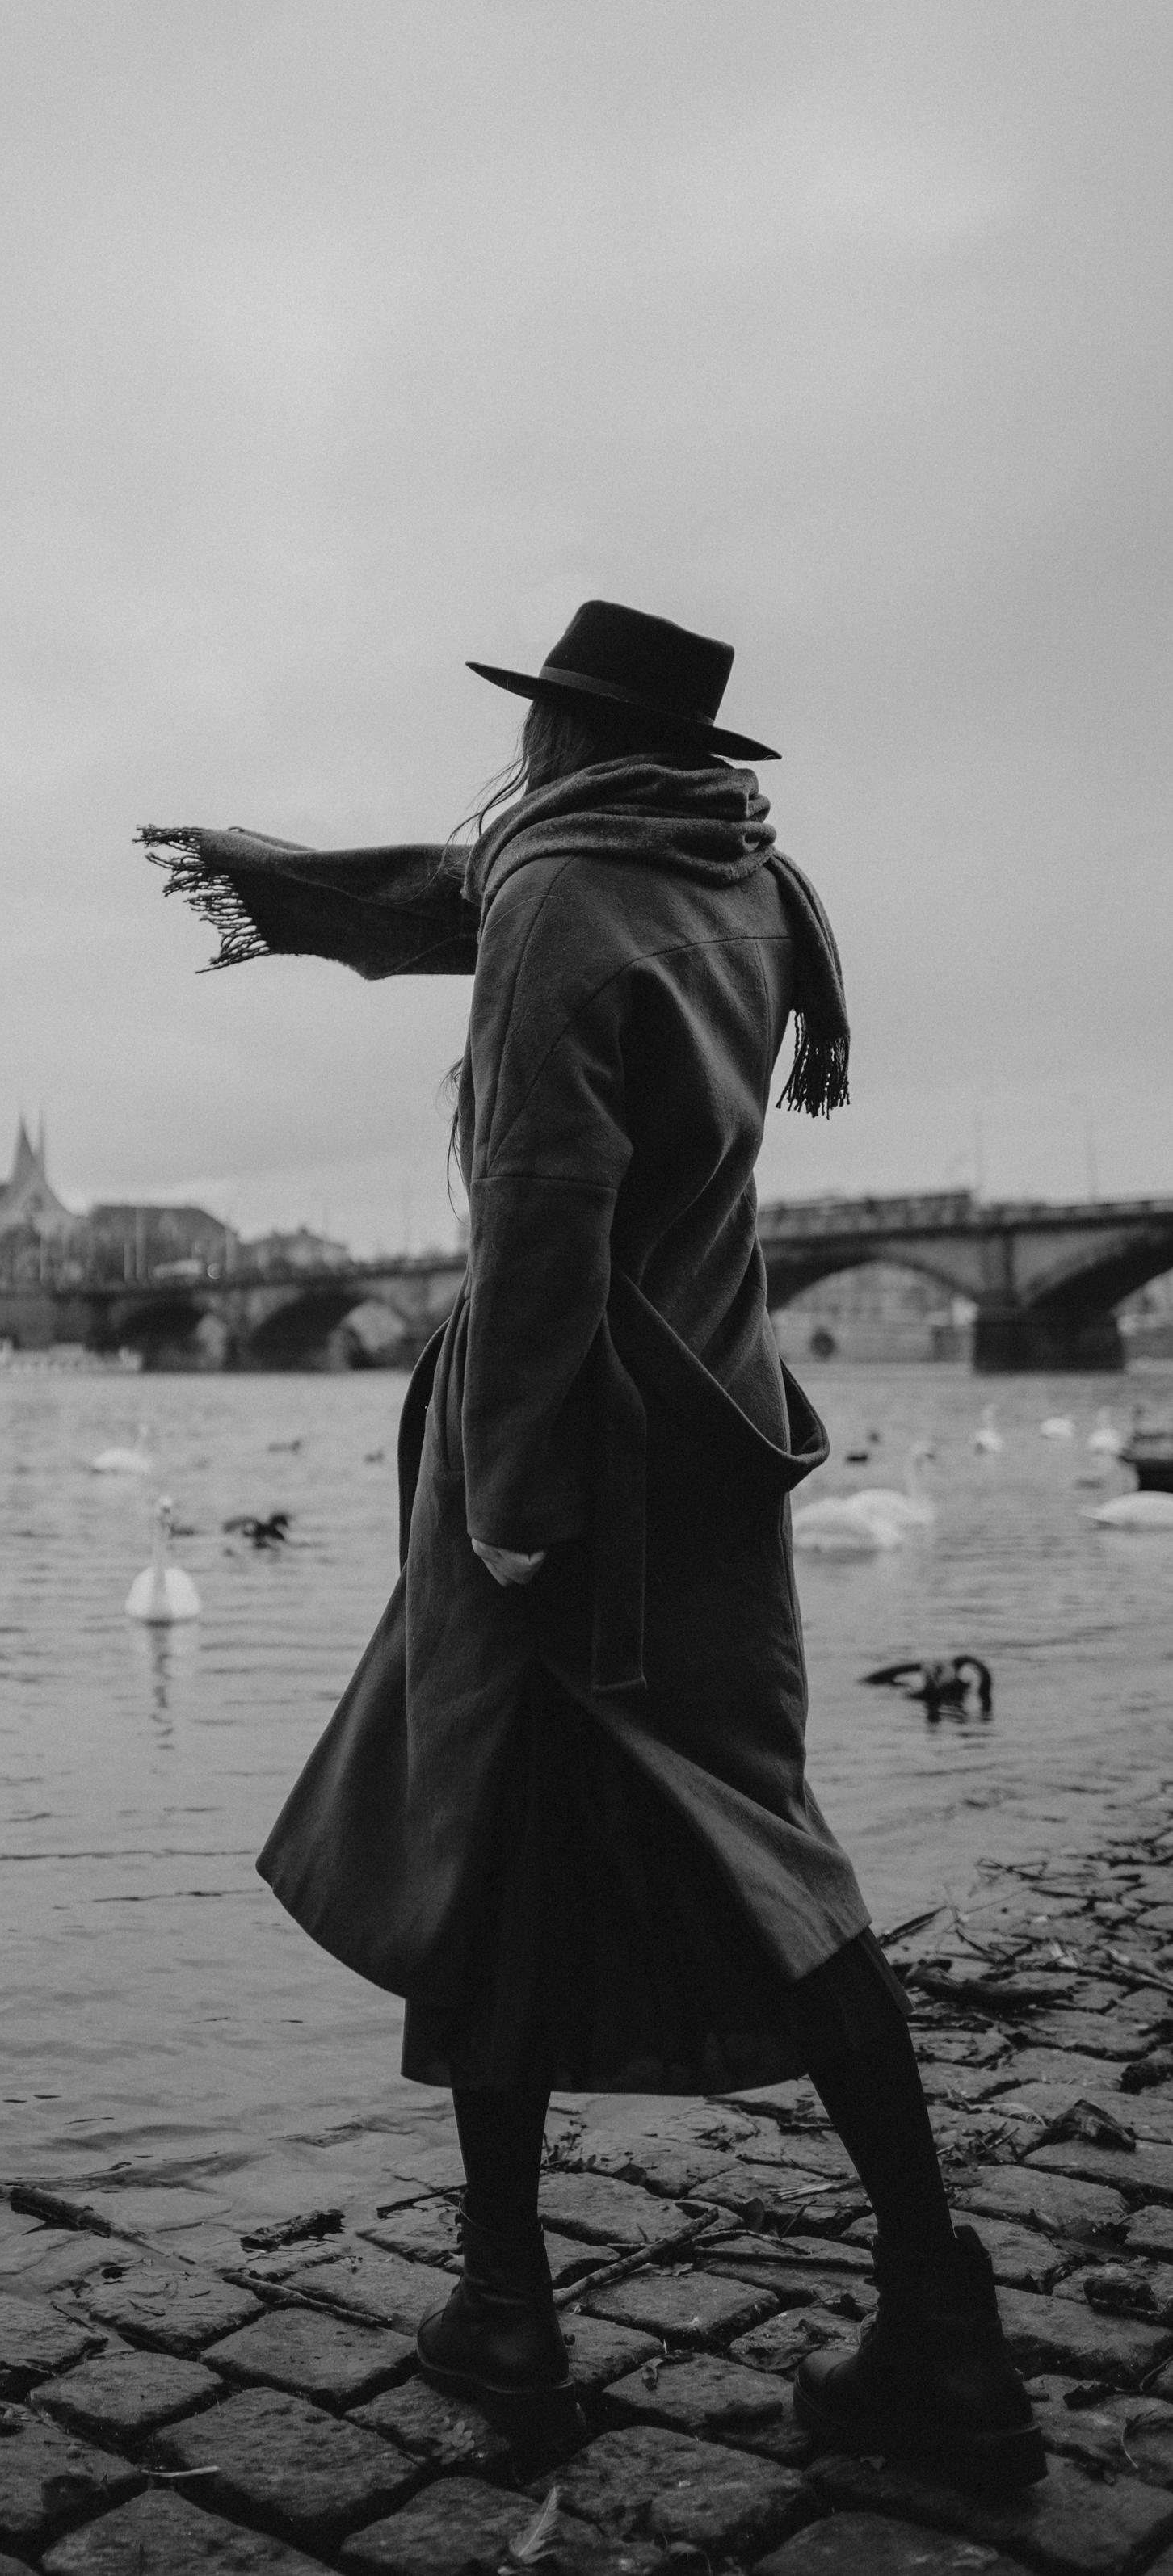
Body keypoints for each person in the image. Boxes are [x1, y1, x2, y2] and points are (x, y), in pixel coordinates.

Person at [142, 599, 1041, 2491]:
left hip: (569, 1444)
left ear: (562, 735)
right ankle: (930, 2314)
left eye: (537, 725)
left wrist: (511, 1503)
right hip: (714, 1422)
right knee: (761, 1838)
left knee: (479, 1831)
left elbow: (544, 1198)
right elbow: (483, 894)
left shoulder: (565, 898)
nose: (523, 761)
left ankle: (511, 2298)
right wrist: (293, 883)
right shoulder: (749, 886)